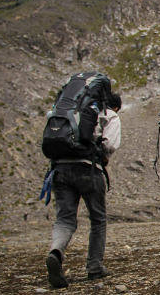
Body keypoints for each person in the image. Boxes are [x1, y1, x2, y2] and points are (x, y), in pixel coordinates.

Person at [45, 93, 122, 288]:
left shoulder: (67, 111)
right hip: (89, 169)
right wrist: (102, 156)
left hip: (60, 169)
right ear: (115, 107)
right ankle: (94, 267)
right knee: (97, 219)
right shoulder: (109, 115)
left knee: (64, 218)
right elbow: (110, 145)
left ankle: (56, 252)